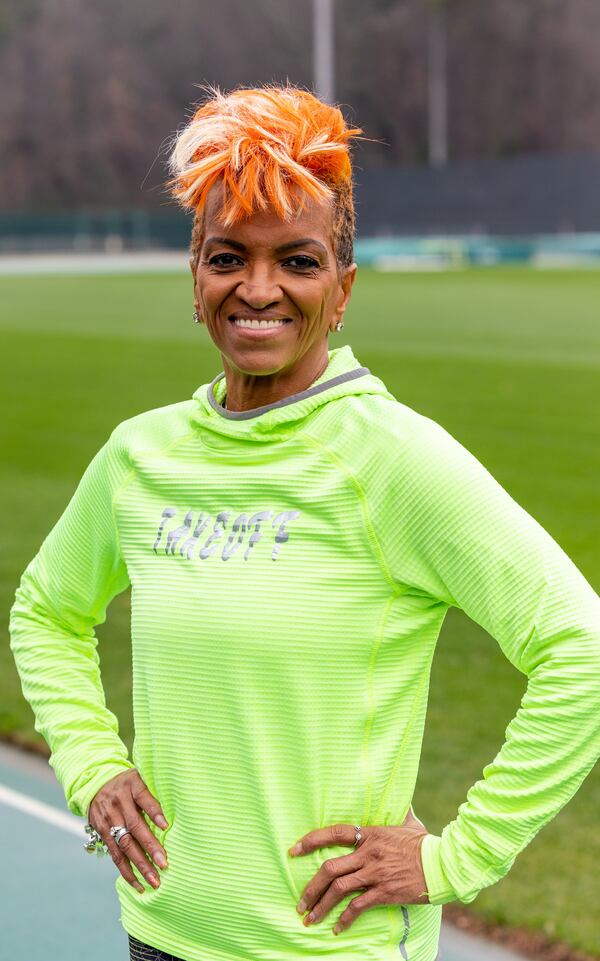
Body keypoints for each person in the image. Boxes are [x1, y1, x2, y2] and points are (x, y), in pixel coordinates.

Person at [8, 82, 600, 961]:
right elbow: (46, 610)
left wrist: (456, 858)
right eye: (226, 257)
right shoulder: (141, 455)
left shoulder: (395, 459)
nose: (258, 289)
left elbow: (579, 647)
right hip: (162, 931)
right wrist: (94, 763)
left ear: (344, 285)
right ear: (195, 275)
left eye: (297, 259)